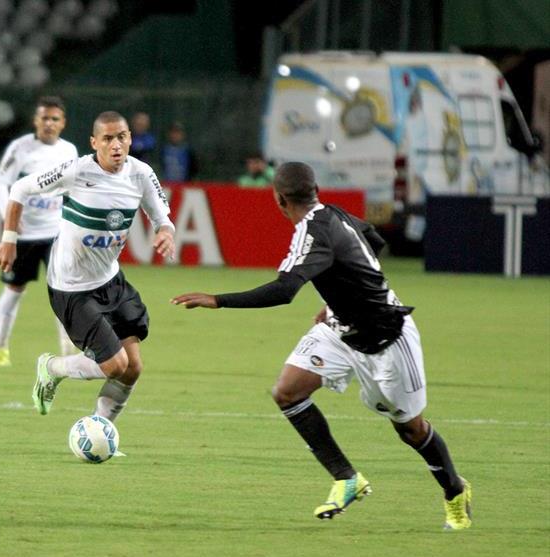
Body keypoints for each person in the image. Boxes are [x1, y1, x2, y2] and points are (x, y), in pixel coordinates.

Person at [171, 162, 472, 530]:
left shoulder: (312, 233)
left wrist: (217, 300)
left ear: (279, 199)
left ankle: (455, 491)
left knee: (410, 429)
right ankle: (347, 479)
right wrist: (338, 300)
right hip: (341, 328)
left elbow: (284, 291)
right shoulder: (334, 214)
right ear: (315, 190)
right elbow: (374, 241)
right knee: (287, 391)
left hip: (388, 337)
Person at [0, 111, 175, 424]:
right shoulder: (77, 171)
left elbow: (162, 217)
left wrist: (165, 231)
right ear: (94, 143)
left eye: (121, 136)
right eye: (107, 138)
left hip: (110, 280)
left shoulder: (142, 174)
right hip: (72, 287)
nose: (116, 144)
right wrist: (10, 239)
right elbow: (20, 189)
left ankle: (101, 428)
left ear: (130, 138)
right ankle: (51, 368)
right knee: (114, 365)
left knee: (133, 367)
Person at [0, 96, 79, 366]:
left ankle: (69, 349)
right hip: (24, 236)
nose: (49, 123)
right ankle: (0, 347)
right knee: (15, 289)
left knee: (65, 291)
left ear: (63, 123)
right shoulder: (20, 148)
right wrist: (9, 219)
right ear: (35, 120)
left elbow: (73, 189)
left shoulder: (69, 151)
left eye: (54, 119)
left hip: (56, 233)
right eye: (44, 118)